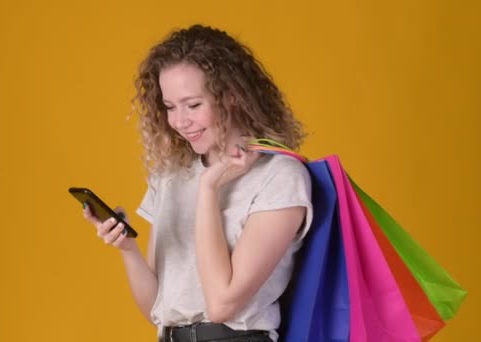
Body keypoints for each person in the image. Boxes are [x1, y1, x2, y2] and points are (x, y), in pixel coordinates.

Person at [83, 24, 313, 342]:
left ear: (231, 95)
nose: (179, 121)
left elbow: (221, 305)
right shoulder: (171, 177)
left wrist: (208, 189)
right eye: (169, 107)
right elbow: (157, 310)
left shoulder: (280, 177)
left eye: (193, 105)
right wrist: (128, 249)